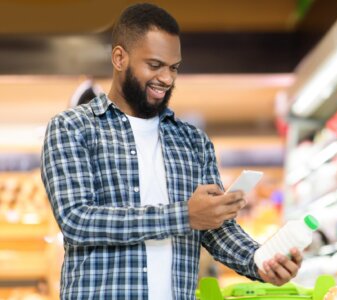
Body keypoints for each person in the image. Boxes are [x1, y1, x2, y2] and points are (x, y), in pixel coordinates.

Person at [41, 3, 302, 299]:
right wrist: (185, 215)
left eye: (173, 67)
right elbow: (77, 221)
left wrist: (261, 261)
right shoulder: (72, 128)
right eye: (154, 65)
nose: (167, 78)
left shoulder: (192, 141)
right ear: (119, 58)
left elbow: (214, 229)